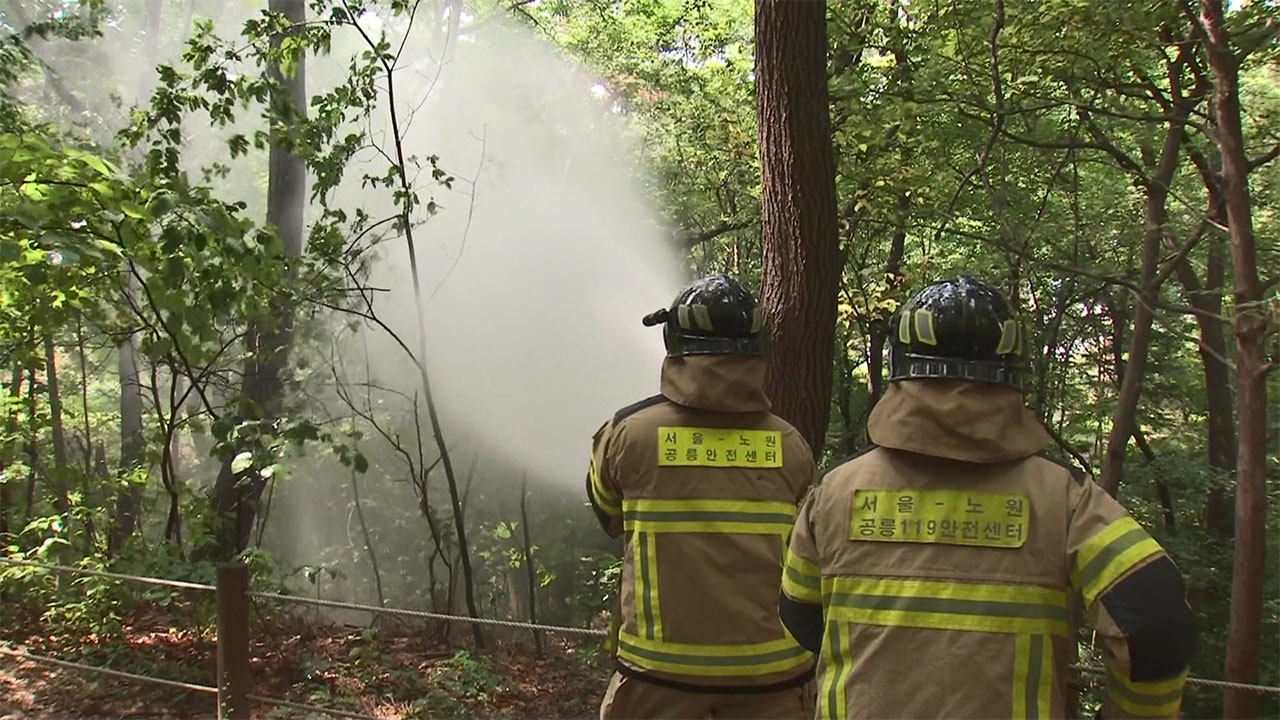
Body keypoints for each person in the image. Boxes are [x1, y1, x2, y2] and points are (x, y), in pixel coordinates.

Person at [779, 275, 1197, 719]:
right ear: (1010, 374)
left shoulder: (836, 493)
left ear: (901, 369)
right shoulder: (1064, 500)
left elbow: (801, 614)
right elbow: (1156, 622)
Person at [586, 273, 817, 719]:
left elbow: (609, 517)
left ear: (674, 342)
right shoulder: (791, 445)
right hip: (772, 679)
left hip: (658, 676)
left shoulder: (627, 434)